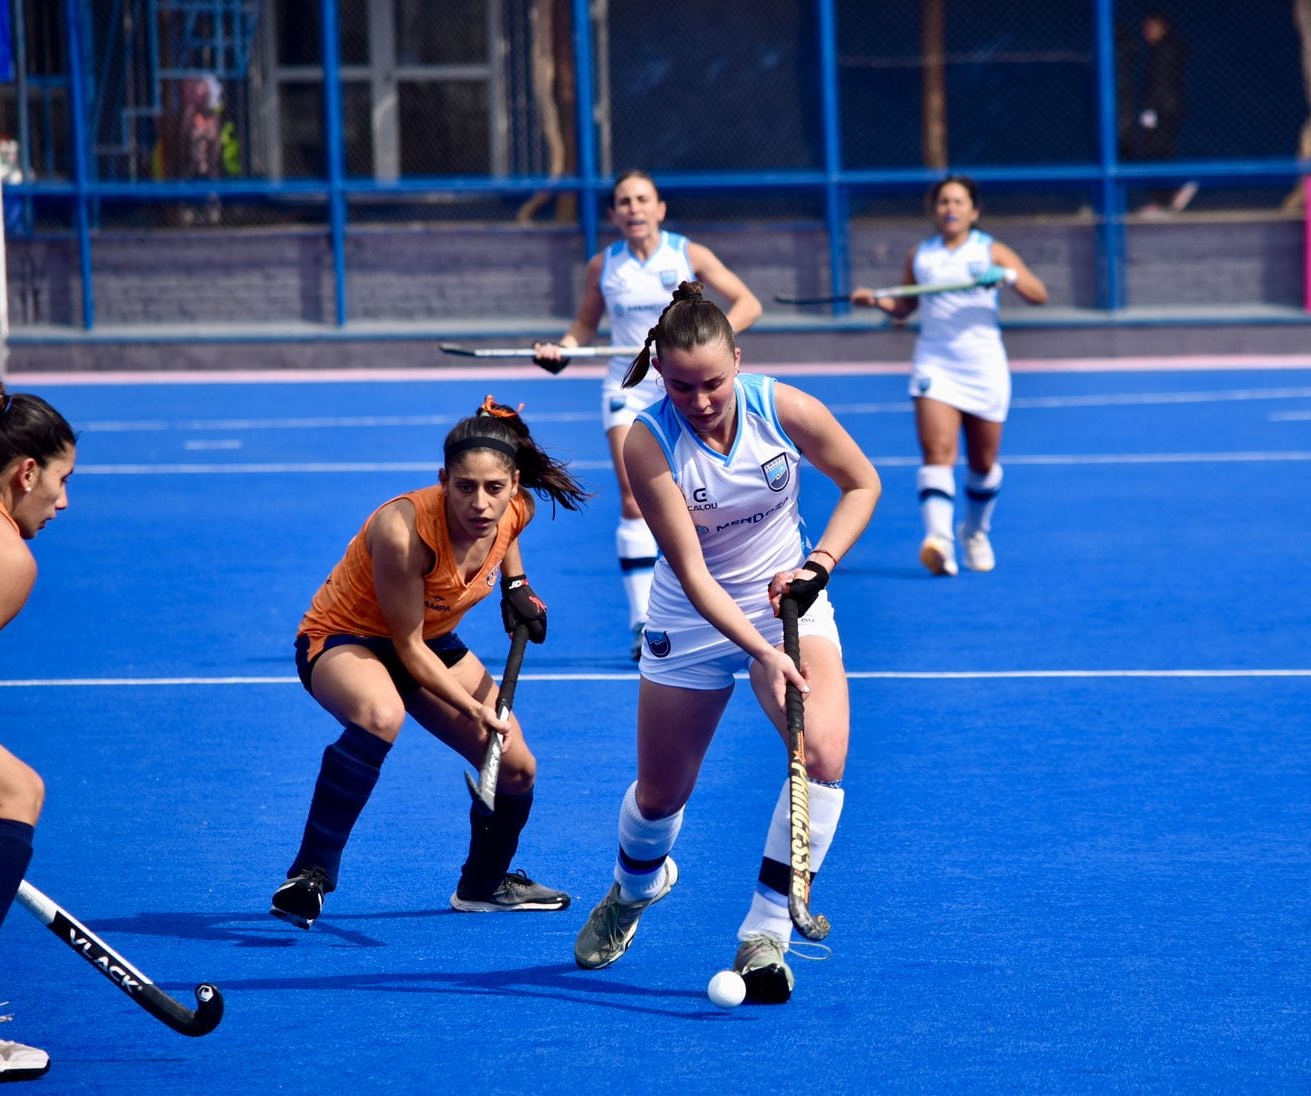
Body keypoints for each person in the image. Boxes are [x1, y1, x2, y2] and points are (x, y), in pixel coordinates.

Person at [571, 282, 879, 1005]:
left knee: (824, 755)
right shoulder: (647, 443)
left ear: (738, 361)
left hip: (789, 604)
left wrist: (816, 567)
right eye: (681, 385)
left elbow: (862, 484)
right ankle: (632, 890)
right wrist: (762, 652)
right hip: (691, 616)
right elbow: (694, 576)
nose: (701, 399)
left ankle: (765, 932)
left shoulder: (785, 409)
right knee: (659, 797)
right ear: (660, 377)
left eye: (713, 381)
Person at [270, 397, 592, 930]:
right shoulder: (405, 532)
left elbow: (505, 536)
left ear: (514, 486)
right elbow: (408, 647)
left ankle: (483, 885)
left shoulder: (517, 511)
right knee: (381, 714)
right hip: (347, 639)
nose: (480, 505)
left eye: (494, 489)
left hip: (431, 638)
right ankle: (310, 874)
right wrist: (473, 707)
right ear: (443, 480)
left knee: (516, 768)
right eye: (464, 488)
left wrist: (516, 585)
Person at [533, 171, 762, 661]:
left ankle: (723, 596)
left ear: (660, 208)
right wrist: (564, 348)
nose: (633, 209)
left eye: (642, 200)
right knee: (636, 501)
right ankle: (642, 622)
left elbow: (748, 303)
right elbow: (584, 325)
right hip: (629, 390)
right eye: (623, 202)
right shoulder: (603, 266)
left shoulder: (688, 255)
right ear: (613, 215)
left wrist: (704, 340)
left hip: (690, 383)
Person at [851, 175, 1048, 577]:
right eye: (943, 202)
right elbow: (905, 307)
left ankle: (974, 530)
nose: (950, 209)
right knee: (938, 453)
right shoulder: (921, 255)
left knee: (983, 461)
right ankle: (939, 541)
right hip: (935, 365)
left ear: (973, 210)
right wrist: (876, 301)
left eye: (958, 202)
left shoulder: (990, 249)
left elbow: (1038, 293)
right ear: (935, 209)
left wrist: (1007, 276)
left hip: (985, 365)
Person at [0, 374, 75, 1082]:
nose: (64, 501)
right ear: (25, 472)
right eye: (62, 480)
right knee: (15, 793)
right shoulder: (7, 555)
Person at [1120, 12, 1196, 213]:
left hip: (1162, 112)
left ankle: (1166, 199)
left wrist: (1152, 111)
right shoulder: (1160, 50)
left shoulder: (1165, 51)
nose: (1147, 33)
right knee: (1154, 153)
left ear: (1162, 27)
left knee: (1156, 153)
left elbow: (1161, 86)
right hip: (1164, 111)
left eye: (1151, 28)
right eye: (1145, 28)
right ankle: (1165, 199)